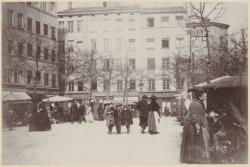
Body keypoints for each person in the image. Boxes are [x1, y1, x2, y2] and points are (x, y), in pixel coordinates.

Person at [180, 88, 210, 163]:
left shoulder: (197, 102)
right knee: (194, 141)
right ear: (200, 96)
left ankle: (195, 157)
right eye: (204, 96)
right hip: (193, 127)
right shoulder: (195, 104)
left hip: (195, 124)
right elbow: (194, 117)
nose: (205, 97)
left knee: (196, 142)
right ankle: (193, 158)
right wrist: (197, 128)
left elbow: (200, 114)